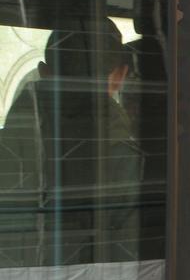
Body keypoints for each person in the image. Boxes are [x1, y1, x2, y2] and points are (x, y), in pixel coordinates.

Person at [0, 19, 142, 265]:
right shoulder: (128, 160)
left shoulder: (7, 146)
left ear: (44, 72)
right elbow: (125, 260)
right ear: (120, 76)